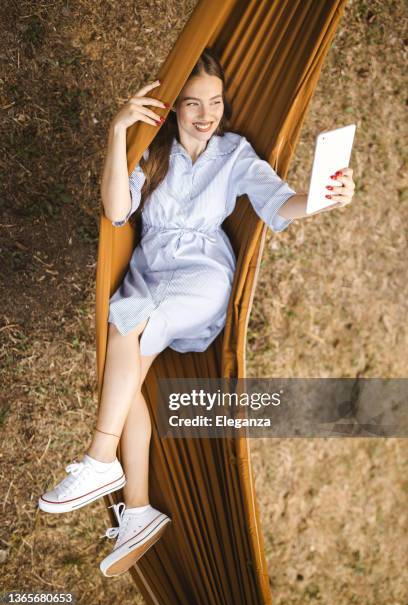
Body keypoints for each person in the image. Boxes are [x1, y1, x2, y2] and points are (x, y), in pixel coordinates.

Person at [38, 48, 355, 577]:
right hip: (149, 271)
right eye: (192, 103)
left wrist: (324, 198)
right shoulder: (153, 151)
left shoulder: (234, 154)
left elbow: (280, 203)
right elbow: (118, 211)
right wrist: (119, 132)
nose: (206, 115)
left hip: (202, 278)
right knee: (126, 371)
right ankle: (136, 508)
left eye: (215, 102)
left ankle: (99, 459)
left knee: (131, 331)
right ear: (172, 108)